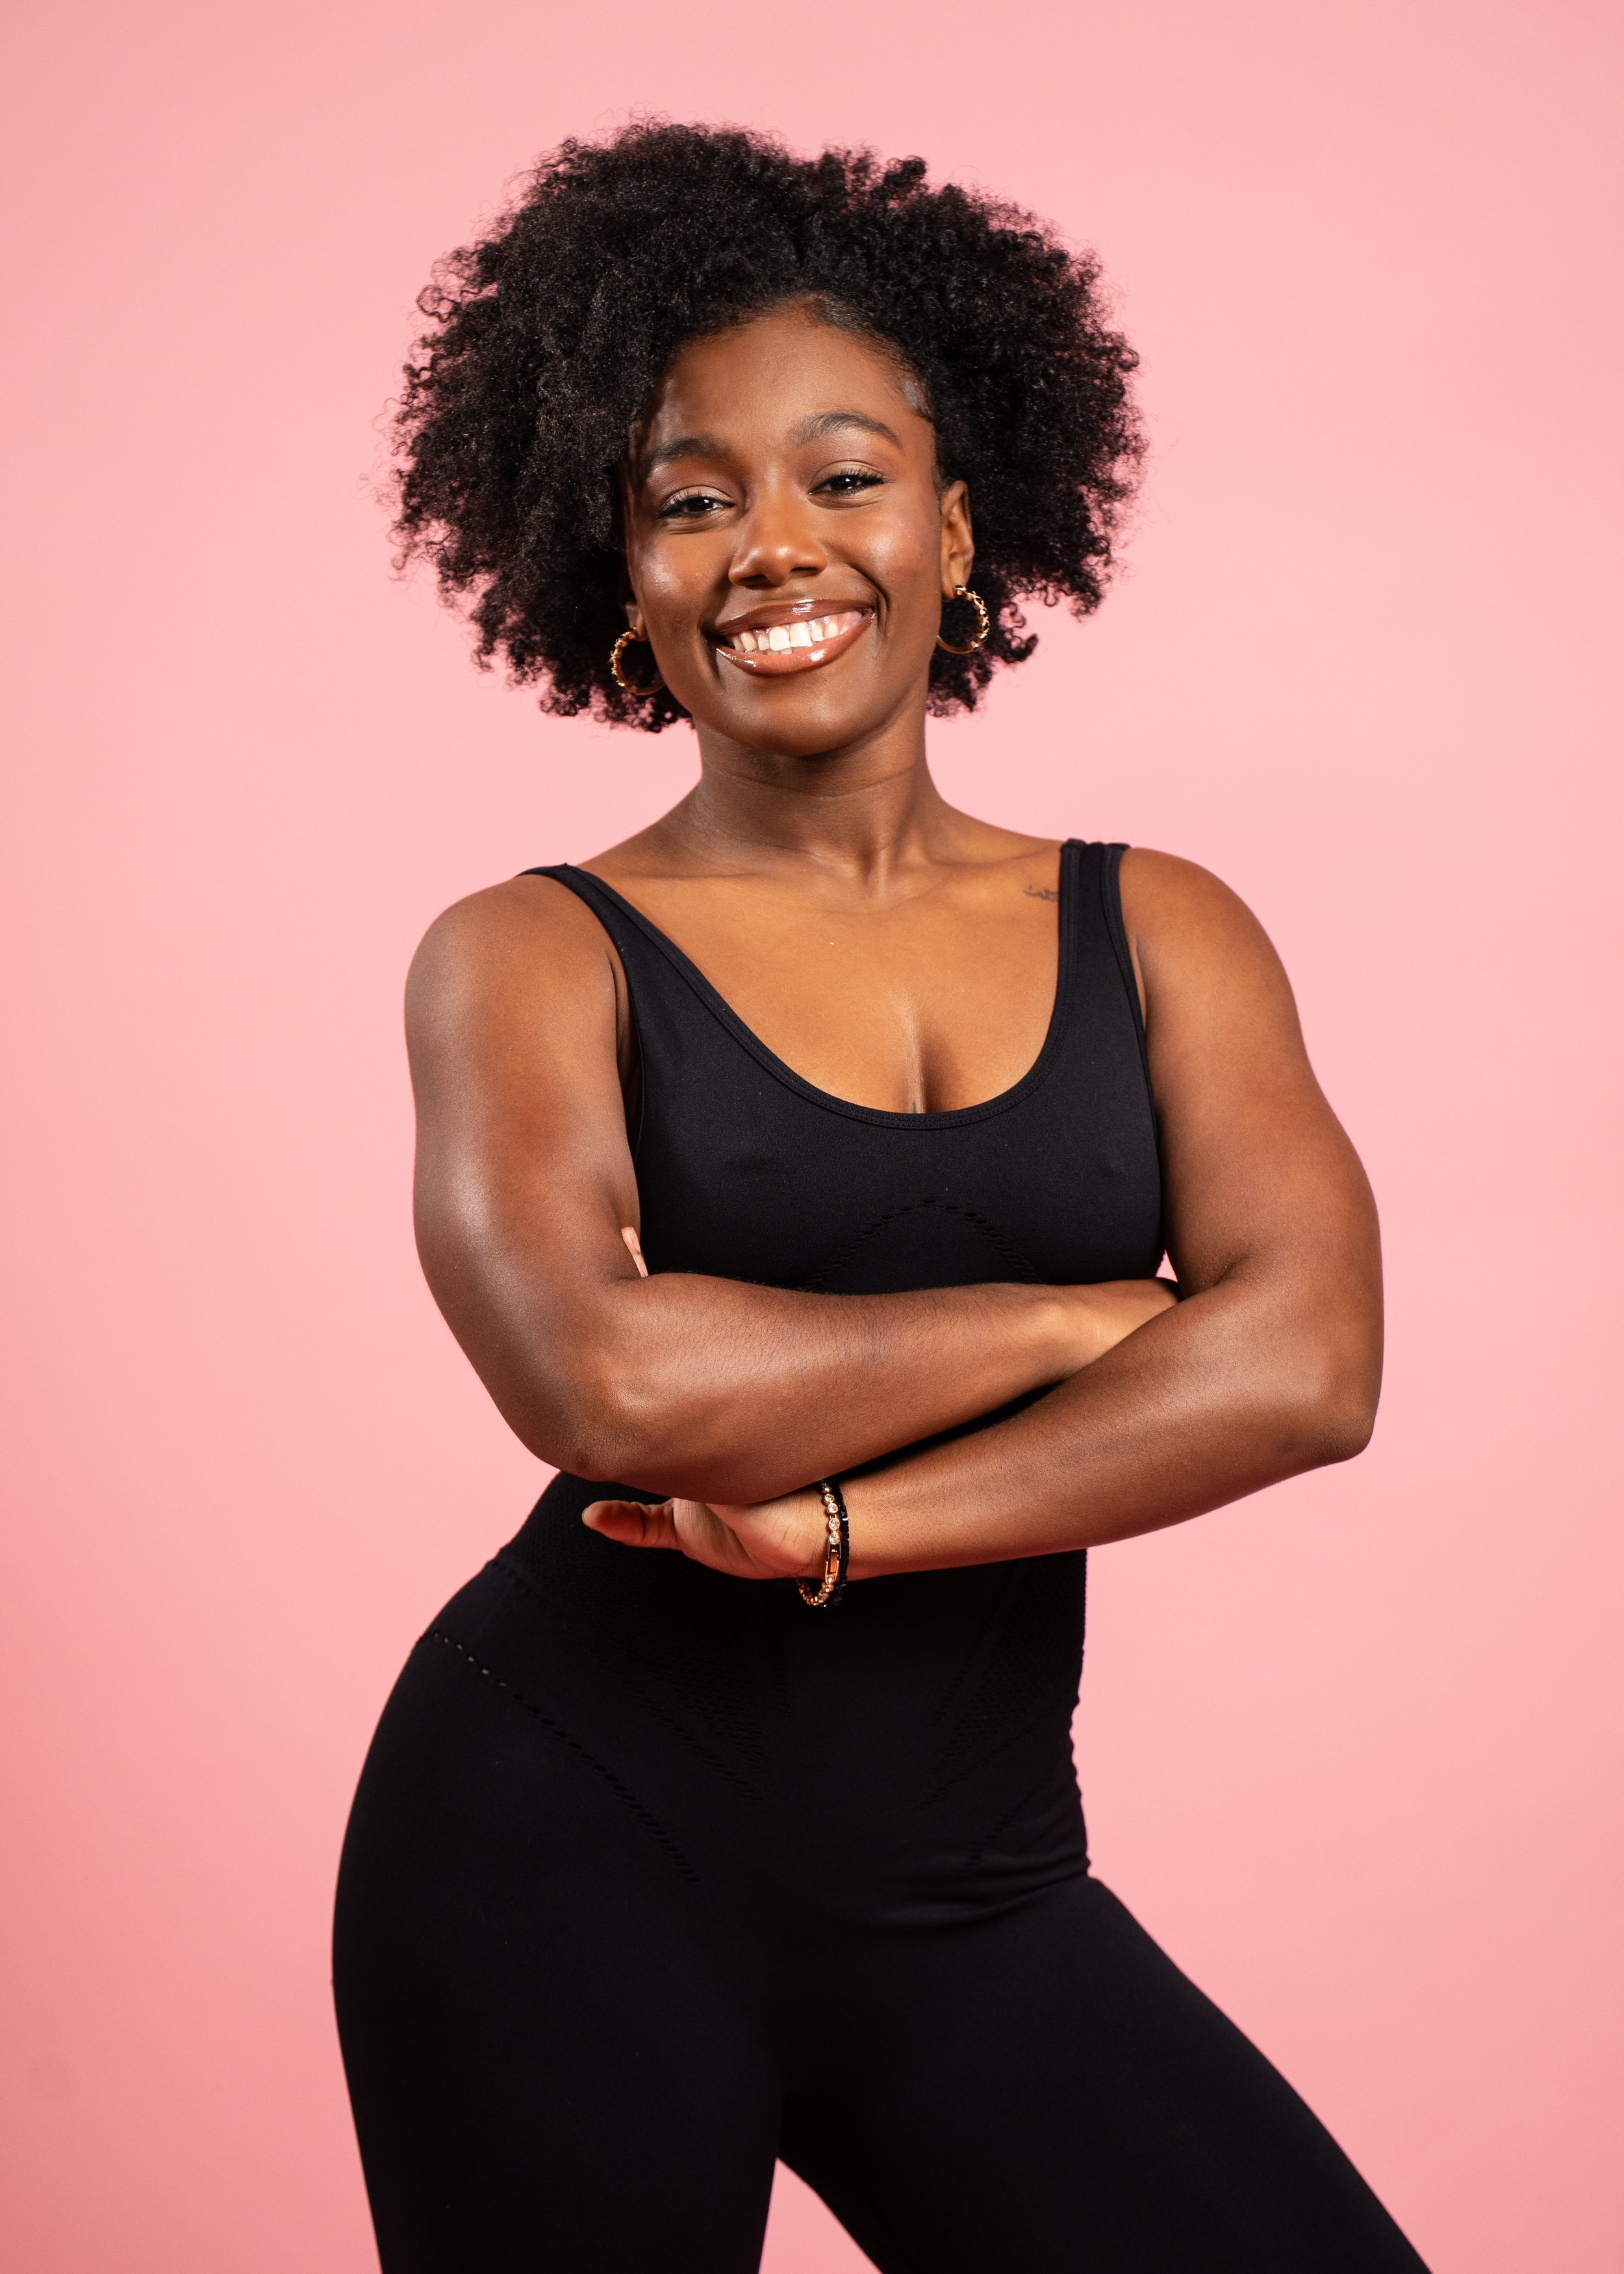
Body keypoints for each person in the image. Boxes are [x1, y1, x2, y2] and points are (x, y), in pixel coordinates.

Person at [333, 122, 1428, 2273]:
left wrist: (837, 1525)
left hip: (974, 1887)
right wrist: (1079, 1316)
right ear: (617, 572)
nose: (771, 545)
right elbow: (602, 1380)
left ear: (955, 524)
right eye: (688, 499)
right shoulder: (530, 952)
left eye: (841, 476)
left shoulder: (1160, 928)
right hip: (557, 1845)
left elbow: (1308, 1365)